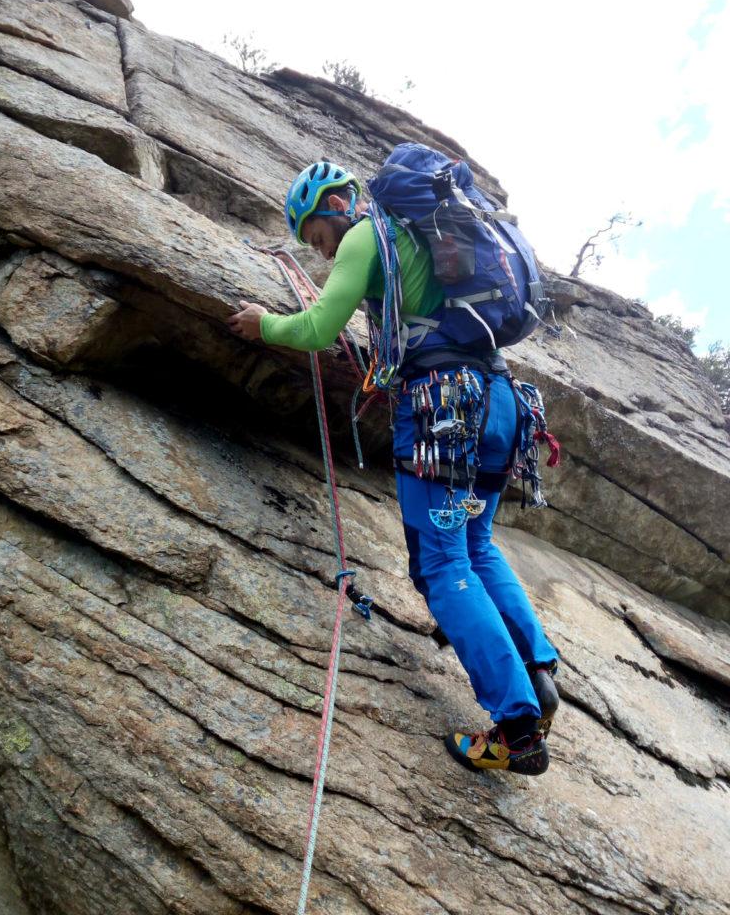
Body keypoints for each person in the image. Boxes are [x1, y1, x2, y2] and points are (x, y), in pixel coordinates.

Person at [229, 161, 559, 776]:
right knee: (477, 543)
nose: (320, 251)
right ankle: (536, 669)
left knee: (441, 564)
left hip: (443, 411)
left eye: (315, 236)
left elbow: (320, 326)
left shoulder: (363, 235)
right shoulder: (416, 235)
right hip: (502, 407)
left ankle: (518, 728)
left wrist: (263, 324)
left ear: (332, 204)